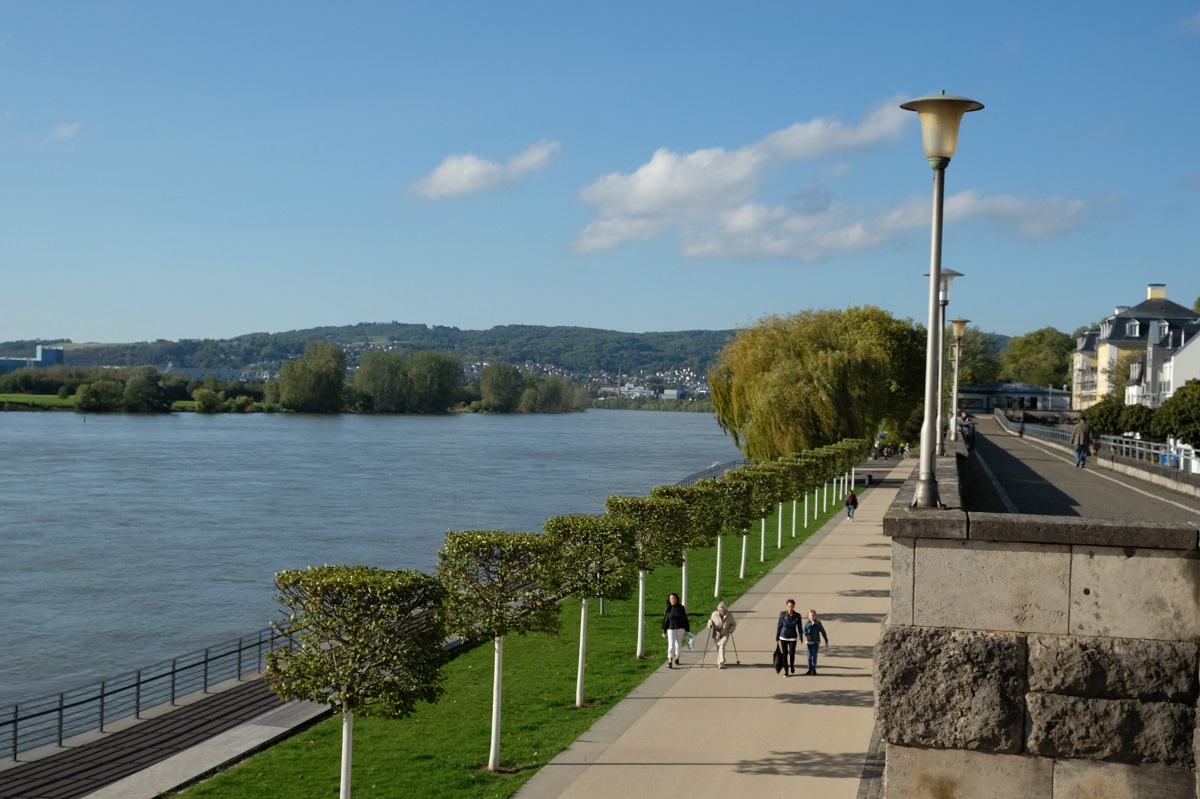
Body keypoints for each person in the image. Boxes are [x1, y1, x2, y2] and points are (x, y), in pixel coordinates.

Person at [661, 592, 690, 668]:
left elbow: (685, 619)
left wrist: (687, 629)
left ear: (677, 599)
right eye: (671, 598)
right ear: (669, 600)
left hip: (680, 628)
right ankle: (670, 661)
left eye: (674, 598)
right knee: (671, 645)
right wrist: (664, 631)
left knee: (678, 644)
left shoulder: (681, 608)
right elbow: (665, 620)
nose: (673, 600)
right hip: (670, 628)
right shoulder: (668, 608)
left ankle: (677, 658)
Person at [776, 599, 803, 677]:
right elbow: (779, 626)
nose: (790, 608)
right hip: (783, 637)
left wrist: (800, 638)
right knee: (784, 654)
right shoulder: (782, 614)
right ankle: (786, 671)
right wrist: (777, 637)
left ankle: (792, 665)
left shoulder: (797, 616)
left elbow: (800, 628)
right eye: (789, 606)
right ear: (786, 606)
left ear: (794, 606)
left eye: (791, 606)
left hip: (792, 637)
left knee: (791, 653)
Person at [707, 600, 737, 668]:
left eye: (723, 611)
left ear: (726, 610)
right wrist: (710, 624)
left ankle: (721, 663)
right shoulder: (714, 614)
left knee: (722, 645)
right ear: (718, 610)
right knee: (719, 648)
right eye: (721, 611)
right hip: (716, 633)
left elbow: (734, 624)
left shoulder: (730, 615)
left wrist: (732, 628)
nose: (722, 612)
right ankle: (722, 659)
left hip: (725, 633)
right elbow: (710, 621)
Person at [803, 609, 829, 675]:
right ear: (808, 616)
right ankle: (809, 669)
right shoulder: (807, 624)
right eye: (810, 615)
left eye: (813, 615)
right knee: (809, 656)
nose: (811, 617)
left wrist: (826, 639)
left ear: (815, 616)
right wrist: (807, 635)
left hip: (816, 642)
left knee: (814, 656)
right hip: (809, 642)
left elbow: (823, 631)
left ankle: (813, 669)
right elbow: (804, 631)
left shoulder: (818, 623)